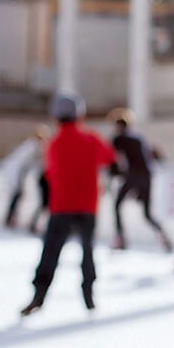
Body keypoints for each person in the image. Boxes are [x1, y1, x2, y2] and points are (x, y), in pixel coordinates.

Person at [20, 93, 115, 316]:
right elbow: (110, 158)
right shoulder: (91, 139)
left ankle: (39, 296)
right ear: (80, 115)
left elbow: (50, 174)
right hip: (88, 205)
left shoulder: (54, 144)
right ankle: (89, 296)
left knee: (50, 251)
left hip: (61, 205)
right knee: (87, 250)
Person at [109, 109, 172, 251]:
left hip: (133, 175)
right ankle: (163, 235)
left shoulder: (119, 138)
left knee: (117, 204)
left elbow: (113, 160)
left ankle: (120, 238)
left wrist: (115, 175)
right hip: (147, 176)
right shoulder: (139, 137)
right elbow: (152, 155)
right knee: (147, 214)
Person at [2, 126, 51, 230]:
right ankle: (10, 218)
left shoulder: (32, 146)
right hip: (15, 172)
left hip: (19, 173)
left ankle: (11, 218)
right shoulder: (33, 146)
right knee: (17, 195)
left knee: (17, 196)